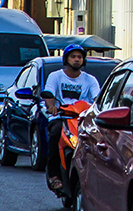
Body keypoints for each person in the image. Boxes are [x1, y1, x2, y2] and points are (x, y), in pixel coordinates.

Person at [41, 43, 101, 195]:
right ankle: (54, 175)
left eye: (79, 57)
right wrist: (51, 107)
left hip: (82, 120)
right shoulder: (55, 76)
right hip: (61, 117)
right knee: (54, 133)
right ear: (66, 59)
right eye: (73, 57)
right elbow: (49, 94)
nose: (76, 60)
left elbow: (97, 99)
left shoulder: (90, 80)